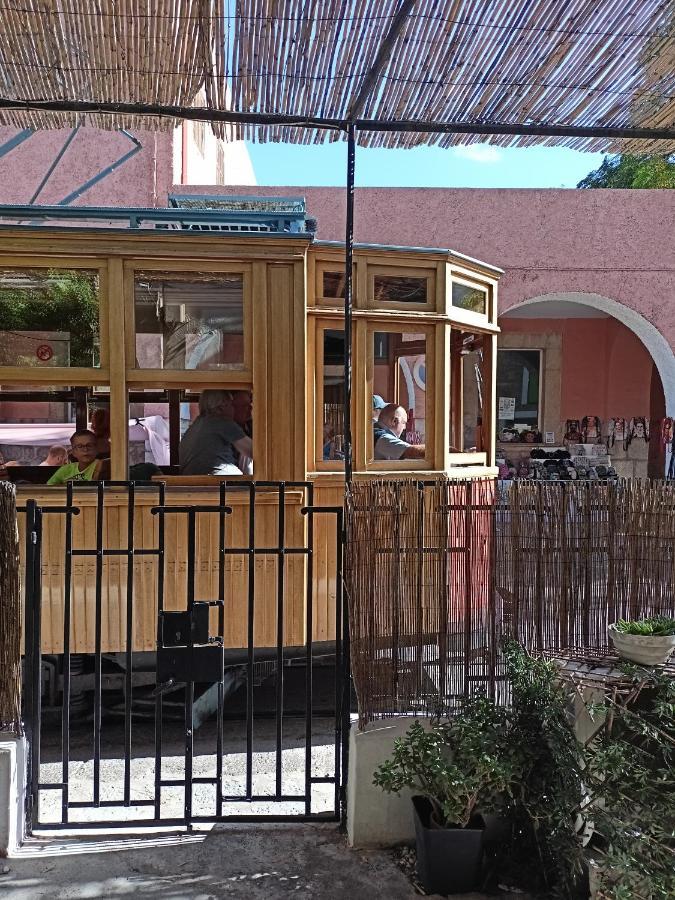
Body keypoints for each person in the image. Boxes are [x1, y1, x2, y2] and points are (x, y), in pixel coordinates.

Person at [179, 389, 253, 475]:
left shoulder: (199, 423)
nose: (233, 409)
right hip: (217, 481)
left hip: (196, 481)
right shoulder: (221, 422)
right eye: (231, 405)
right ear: (221, 408)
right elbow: (254, 451)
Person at [231, 389, 253, 474]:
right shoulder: (228, 429)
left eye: (249, 405)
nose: (250, 409)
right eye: (244, 406)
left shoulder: (251, 425)